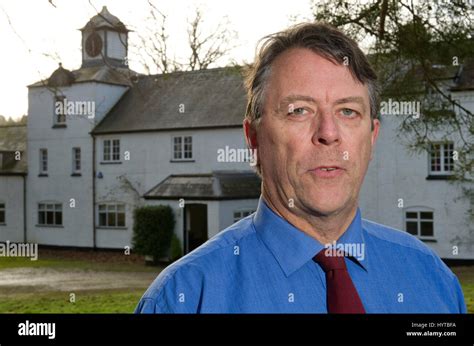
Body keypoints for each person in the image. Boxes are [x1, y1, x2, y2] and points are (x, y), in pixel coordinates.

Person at [135, 23, 466, 313]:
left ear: (372, 136)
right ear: (254, 137)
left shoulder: (433, 281)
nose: (328, 134)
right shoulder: (184, 299)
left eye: (348, 112)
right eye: (299, 110)